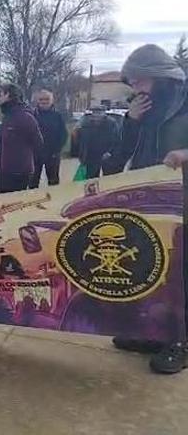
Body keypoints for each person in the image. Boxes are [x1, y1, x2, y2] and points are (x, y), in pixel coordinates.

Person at [104, 44, 188, 374]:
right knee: (156, 270)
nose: (135, 89)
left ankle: (181, 342)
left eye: (139, 81)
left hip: (183, 204)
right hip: (151, 203)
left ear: (158, 76)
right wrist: (131, 122)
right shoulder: (140, 110)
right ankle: (154, 334)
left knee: (183, 273)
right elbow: (119, 154)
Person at [0, 84, 43, 194]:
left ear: (9, 95)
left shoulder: (25, 117)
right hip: (3, 170)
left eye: (1, 94)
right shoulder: (8, 115)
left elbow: (38, 143)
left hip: (18, 173)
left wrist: (25, 160)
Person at [30, 90, 68, 188]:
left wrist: (57, 150)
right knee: (32, 181)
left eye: (47, 99)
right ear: (37, 101)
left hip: (53, 154)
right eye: (41, 99)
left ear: (52, 101)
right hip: (35, 154)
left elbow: (63, 134)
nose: (44, 102)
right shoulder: (32, 115)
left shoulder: (57, 116)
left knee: (53, 181)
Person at [74, 104, 119, 179]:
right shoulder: (86, 123)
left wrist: (110, 152)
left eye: (99, 112)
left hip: (107, 155)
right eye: (95, 112)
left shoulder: (111, 123)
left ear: (104, 113)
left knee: (109, 178)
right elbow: (82, 141)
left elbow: (116, 139)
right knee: (91, 178)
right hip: (91, 156)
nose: (97, 115)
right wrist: (82, 155)